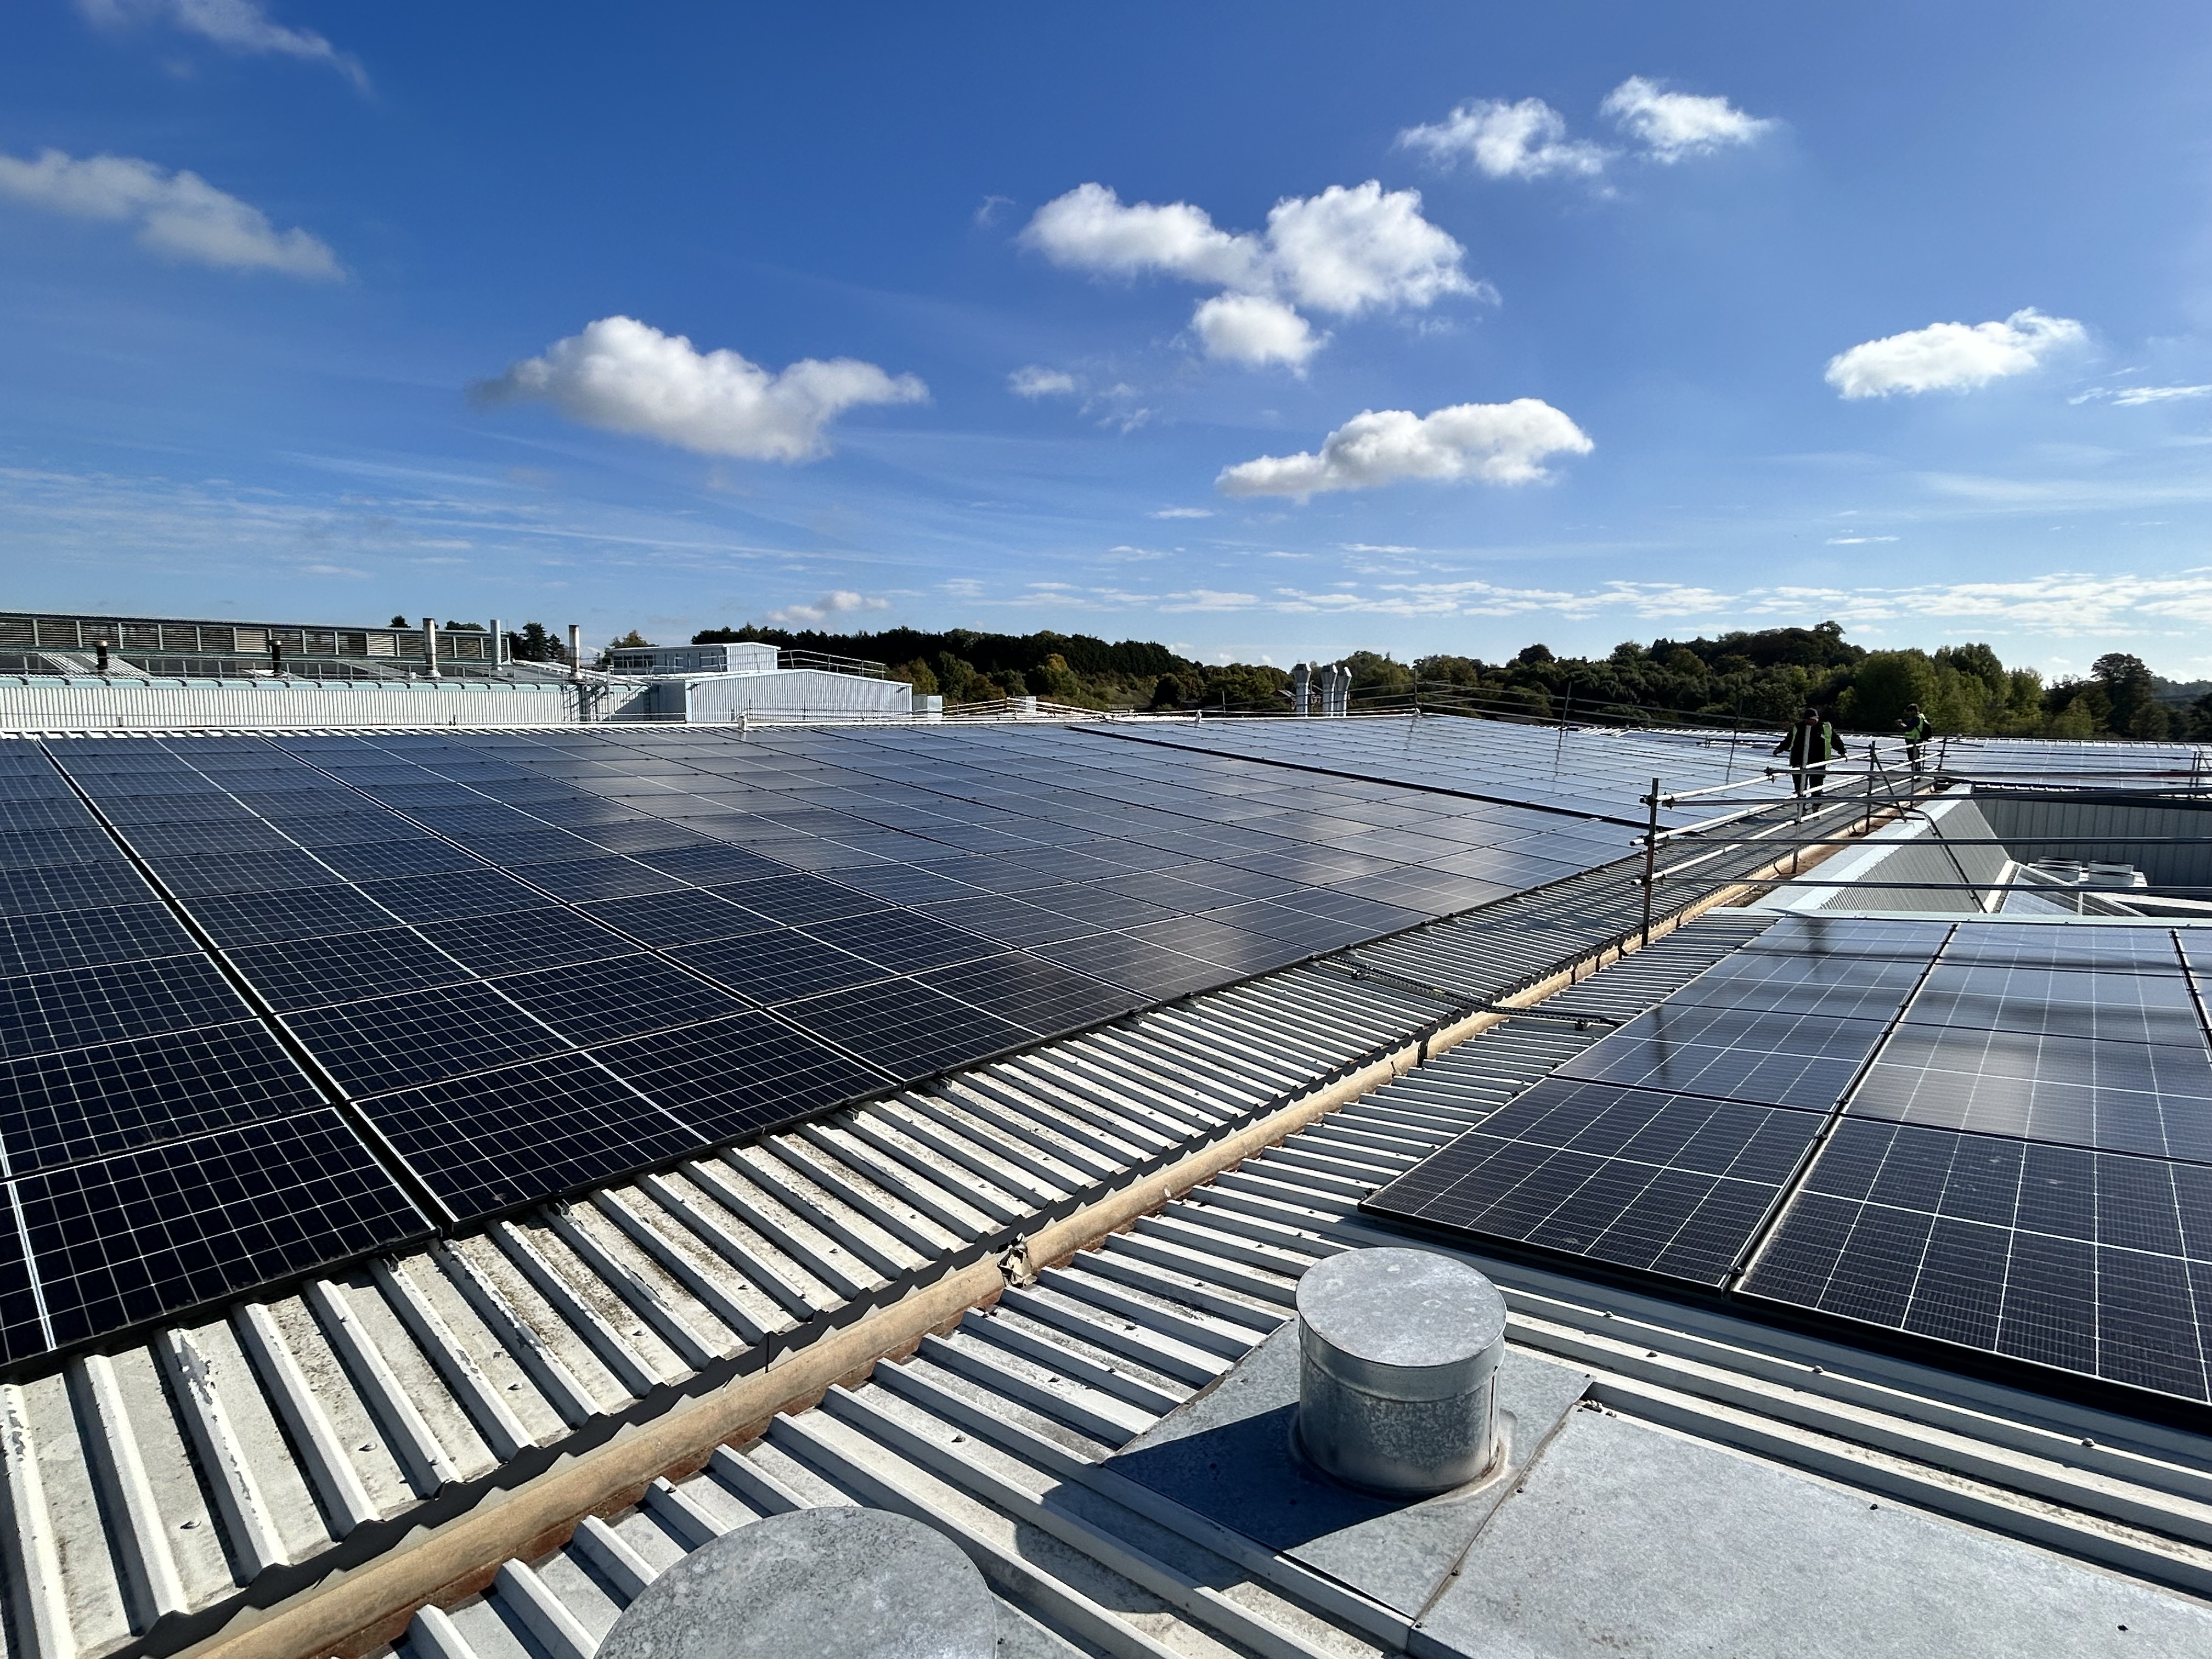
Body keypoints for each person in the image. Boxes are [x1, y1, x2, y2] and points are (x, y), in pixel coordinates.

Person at [1774, 708, 1847, 803]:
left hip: (1818, 762)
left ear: (1817, 718)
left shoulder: (1824, 728)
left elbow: (1835, 740)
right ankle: (1801, 807)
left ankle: (1816, 806)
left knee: (1816, 787)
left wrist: (1842, 751)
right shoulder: (1798, 727)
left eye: (1812, 719)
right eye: (1807, 720)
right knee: (1800, 788)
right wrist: (1779, 749)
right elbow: (1788, 740)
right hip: (1799, 761)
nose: (1809, 722)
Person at [1895, 702, 1933, 773]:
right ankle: (1916, 773)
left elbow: (1909, 729)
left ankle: (1915, 773)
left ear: (1913, 711)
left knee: (1913, 758)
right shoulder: (1921, 717)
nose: (1909, 714)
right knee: (1916, 758)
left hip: (1913, 740)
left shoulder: (1916, 719)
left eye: (1909, 712)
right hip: (1917, 739)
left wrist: (1900, 724)